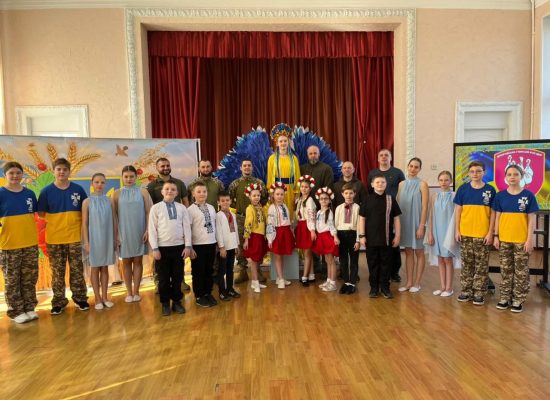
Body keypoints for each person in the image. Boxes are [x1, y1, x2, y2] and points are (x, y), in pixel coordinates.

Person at [37, 158, 89, 315]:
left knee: (77, 271)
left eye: (65, 169)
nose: (62, 172)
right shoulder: (46, 192)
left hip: (75, 237)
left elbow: (85, 211)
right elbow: (41, 213)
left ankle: (80, 299)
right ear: (53, 171)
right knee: (57, 273)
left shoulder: (78, 190)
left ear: (69, 172)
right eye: (58, 169)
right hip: (54, 238)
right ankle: (58, 302)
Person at [493, 165, 538, 313]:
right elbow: (497, 217)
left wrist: (529, 239)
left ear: (521, 176)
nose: (512, 177)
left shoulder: (529, 195)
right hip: (504, 239)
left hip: (521, 240)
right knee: (506, 270)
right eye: (509, 174)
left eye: (516, 174)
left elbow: (531, 220)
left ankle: (518, 299)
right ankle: (505, 297)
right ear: (506, 177)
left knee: (520, 271)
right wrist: (496, 236)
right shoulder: (500, 196)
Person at [0, 161, 39, 323]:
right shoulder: (1, 193)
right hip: (9, 245)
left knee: (30, 277)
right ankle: (16, 311)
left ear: (22, 174)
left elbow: (34, 215)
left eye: (18, 173)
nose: (15, 176)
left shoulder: (29, 194)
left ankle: (29, 307)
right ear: (5, 175)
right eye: (11, 173)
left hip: (30, 243)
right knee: (12, 279)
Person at [454, 161, 496, 306]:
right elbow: (458, 211)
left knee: (481, 265)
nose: (475, 174)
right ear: (468, 173)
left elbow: (493, 214)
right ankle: (466, 291)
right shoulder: (463, 189)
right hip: (465, 233)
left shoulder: (490, 190)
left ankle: (479, 293)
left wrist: (490, 233)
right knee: (467, 264)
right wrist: (457, 230)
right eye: (472, 171)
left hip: (482, 234)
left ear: (484, 172)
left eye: (478, 171)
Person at [148, 180, 192, 316]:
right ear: (162, 191)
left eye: (173, 189)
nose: (169, 191)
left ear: (177, 193)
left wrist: (188, 245)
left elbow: (187, 227)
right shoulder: (156, 208)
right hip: (162, 249)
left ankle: (177, 302)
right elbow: (152, 229)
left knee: (178, 277)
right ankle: (165, 303)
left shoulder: (182, 208)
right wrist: (155, 248)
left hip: (179, 247)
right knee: (163, 279)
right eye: (167, 189)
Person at [146, 157, 191, 292]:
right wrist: (149, 229)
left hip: (177, 229)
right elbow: (149, 207)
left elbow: (185, 201)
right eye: (162, 166)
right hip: (161, 230)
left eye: (167, 165)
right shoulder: (152, 186)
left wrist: (186, 219)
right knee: (160, 263)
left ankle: (180, 282)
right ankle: (158, 283)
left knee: (178, 263)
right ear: (157, 168)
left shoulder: (179, 183)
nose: (165, 168)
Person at [113, 165, 153, 304]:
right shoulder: (116, 194)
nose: (129, 179)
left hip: (139, 231)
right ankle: (128, 292)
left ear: (136, 177)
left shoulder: (143, 192)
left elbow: (149, 212)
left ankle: (136, 292)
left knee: (137, 261)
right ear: (122, 177)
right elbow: (114, 216)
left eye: (131, 176)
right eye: (126, 176)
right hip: (123, 232)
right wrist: (116, 234)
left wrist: (148, 230)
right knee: (126, 262)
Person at [358, 174, 402, 299]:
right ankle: (374, 288)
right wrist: (362, 235)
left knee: (386, 263)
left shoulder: (390, 199)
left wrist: (397, 235)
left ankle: (385, 288)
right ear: (372, 185)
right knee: (372, 263)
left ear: (386, 184)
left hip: (386, 238)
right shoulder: (367, 199)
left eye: (383, 182)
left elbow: (396, 218)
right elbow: (362, 218)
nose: (380, 184)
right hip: (371, 238)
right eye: (377, 182)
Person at [367, 149, 405, 282]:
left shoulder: (398, 172)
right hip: (378, 212)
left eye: (386, 155)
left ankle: (394, 272)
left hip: (392, 210)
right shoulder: (372, 173)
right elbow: (369, 192)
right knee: (379, 248)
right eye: (381, 155)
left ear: (390, 158)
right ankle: (378, 275)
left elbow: (403, 189)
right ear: (378, 159)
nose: (384, 157)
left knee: (393, 245)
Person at [228, 159, 268, 284]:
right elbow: (230, 200)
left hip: (257, 219)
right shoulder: (235, 184)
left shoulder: (259, 183)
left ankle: (258, 270)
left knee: (258, 244)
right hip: (241, 218)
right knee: (241, 244)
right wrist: (240, 208)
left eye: (249, 165)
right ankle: (243, 271)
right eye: (244, 165)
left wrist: (256, 210)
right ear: (241, 168)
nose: (247, 167)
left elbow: (265, 198)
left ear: (252, 167)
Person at [82, 173, 117, 310]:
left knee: (105, 268)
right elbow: (84, 224)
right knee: (95, 268)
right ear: (92, 183)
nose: (99, 185)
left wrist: (115, 238)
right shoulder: (87, 202)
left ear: (105, 184)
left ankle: (104, 297)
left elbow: (114, 220)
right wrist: (86, 242)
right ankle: (97, 298)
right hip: (94, 238)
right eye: (97, 182)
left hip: (107, 237)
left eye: (102, 182)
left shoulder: (109, 200)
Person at [397, 157, 429, 293]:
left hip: (417, 222)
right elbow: (398, 204)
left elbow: (425, 207)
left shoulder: (423, 184)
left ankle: (417, 283)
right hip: (405, 222)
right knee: (408, 252)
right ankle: (409, 282)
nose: (413, 169)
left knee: (419, 252)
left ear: (420, 169)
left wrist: (421, 225)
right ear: (408, 166)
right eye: (411, 166)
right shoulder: (401, 184)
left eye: (416, 167)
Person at [187, 181, 218, 307]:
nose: (202, 194)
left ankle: (208, 292)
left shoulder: (211, 208)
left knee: (209, 270)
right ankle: (199, 295)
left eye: (204, 191)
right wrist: (190, 247)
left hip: (211, 243)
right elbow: (188, 229)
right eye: (198, 192)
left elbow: (215, 226)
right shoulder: (190, 210)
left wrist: (217, 243)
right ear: (193, 194)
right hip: (198, 245)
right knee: (198, 271)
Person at [426, 171, 457, 297]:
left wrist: (455, 233)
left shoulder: (454, 196)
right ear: (438, 181)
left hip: (449, 231)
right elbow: (431, 215)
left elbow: (457, 216)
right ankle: (443, 286)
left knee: (448, 259)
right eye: (441, 180)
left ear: (451, 181)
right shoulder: (434, 196)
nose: (443, 182)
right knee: (440, 258)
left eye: (446, 180)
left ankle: (449, 288)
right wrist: (430, 233)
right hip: (437, 231)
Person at [267, 123, 301, 220]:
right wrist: (271, 192)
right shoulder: (272, 159)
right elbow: (270, 176)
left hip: (290, 190)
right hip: (277, 190)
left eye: (285, 141)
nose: (283, 143)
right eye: (280, 141)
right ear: (277, 143)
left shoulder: (294, 159)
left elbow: (297, 176)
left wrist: (297, 193)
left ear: (288, 142)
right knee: (279, 214)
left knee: (289, 214)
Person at [266, 182, 295, 289]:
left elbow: (287, 220)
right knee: (278, 256)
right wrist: (270, 238)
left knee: (281, 256)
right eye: (277, 194)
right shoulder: (271, 208)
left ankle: (280, 277)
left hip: (285, 232)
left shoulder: (284, 206)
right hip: (277, 233)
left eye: (282, 194)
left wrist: (291, 231)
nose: (279, 196)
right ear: (273, 195)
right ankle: (281, 279)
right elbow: (270, 224)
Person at [312, 187, 340, 292]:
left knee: (331, 261)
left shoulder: (329, 212)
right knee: (327, 260)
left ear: (329, 200)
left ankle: (333, 283)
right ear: (319, 200)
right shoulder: (319, 212)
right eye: (321, 199)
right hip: (321, 237)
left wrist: (335, 236)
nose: (323, 200)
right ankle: (328, 280)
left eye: (326, 198)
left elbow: (331, 226)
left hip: (328, 237)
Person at [334, 183, 360, 294]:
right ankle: (346, 282)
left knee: (354, 259)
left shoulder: (357, 207)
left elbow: (359, 225)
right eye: (346, 193)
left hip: (353, 234)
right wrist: (335, 236)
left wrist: (358, 240)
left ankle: (352, 283)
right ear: (342, 194)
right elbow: (335, 224)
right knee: (343, 260)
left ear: (354, 194)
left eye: (351, 193)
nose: (348, 195)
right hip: (341, 235)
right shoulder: (339, 208)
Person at [242, 183, 268, 293]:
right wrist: (246, 239)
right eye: (254, 196)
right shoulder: (249, 208)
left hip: (261, 236)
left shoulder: (260, 207)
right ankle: (256, 282)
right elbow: (247, 223)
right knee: (253, 261)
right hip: (254, 236)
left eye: (258, 195)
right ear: (249, 197)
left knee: (257, 260)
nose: (256, 197)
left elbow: (264, 221)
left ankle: (254, 281)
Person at [215, 191, 241, 301]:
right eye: (222, 201)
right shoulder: (218, 216)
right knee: (222, 271)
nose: (225, 202)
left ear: (230, 201)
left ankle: (230, 289)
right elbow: (218, 232)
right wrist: (221, 247)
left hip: (232, 246)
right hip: (224, 249)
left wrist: (237, 245)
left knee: (230, 269)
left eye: (227, 200)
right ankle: (222, 292)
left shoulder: (233, 215)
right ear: (218, 202)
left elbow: (235, 231)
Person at [295, 175, 317, 286]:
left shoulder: (310, 201)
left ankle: (304, 277)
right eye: (302, 186)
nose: (304, 189)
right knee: (307, 252)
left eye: (306, 187)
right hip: (301, 226)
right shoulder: (300, 199)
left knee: (307, 253)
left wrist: (312, 230)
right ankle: (311, 274)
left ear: (310, 188)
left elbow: (311, 216)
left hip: (307, 227)